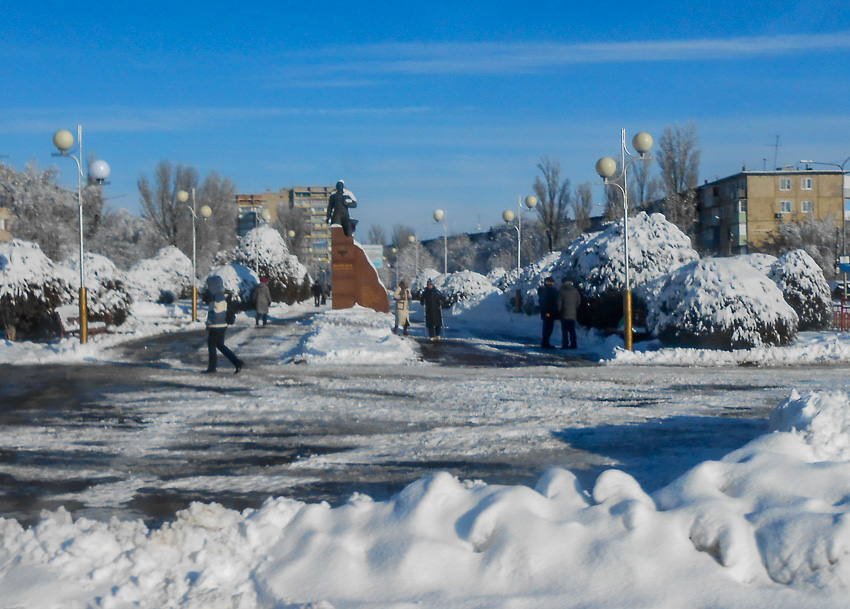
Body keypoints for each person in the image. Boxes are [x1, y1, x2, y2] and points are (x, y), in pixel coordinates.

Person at [203, 275, 244, 374]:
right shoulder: (219, 295)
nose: (207, 287)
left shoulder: (217, 297)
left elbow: (217, 312)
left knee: (212, 346)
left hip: (216, 326)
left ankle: (212, 368)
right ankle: (237, 362)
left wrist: (210, 323)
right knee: (220, 345)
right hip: (220, 325)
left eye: (209, 285)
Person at [537, 276, 559, 349]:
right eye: (550, 282)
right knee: (547, 328)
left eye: (552, 282)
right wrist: (546, 311)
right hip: (548, 312)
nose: (551, 283)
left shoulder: (549, 290)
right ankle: (545, 343)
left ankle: (545, 342)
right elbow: (543, 302)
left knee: (548, 328)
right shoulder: (545, 290)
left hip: (550, 312)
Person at [558, 279, 580, 349]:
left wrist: (559, 311)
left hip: (564, 314)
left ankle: (565, 344)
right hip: (573, 314)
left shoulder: (561, 291)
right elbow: (579, 302)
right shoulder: (575, 291)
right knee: (572, 330)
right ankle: (573, 344)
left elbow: (559, 303)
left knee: (565, 330)